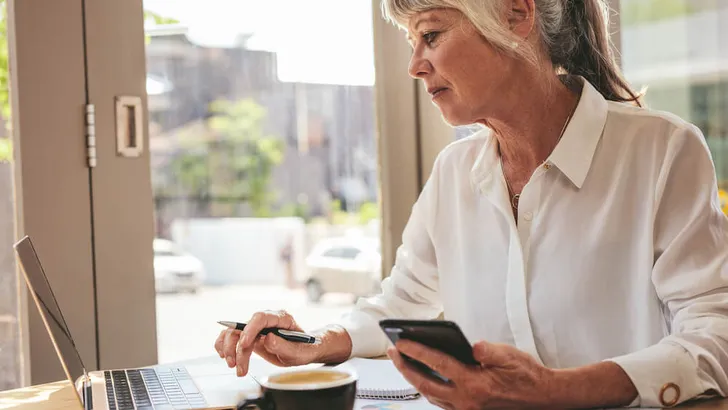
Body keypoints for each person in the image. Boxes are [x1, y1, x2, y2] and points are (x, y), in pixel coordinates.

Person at [215, 0, 728, 408]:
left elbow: (715, 339)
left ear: (516, 13)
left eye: (431, 35)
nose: (415, 65)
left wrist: (553, 391)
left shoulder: (663, 151)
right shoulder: (453, 173)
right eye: (412, 41)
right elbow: (400, 304)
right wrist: (315, 341)